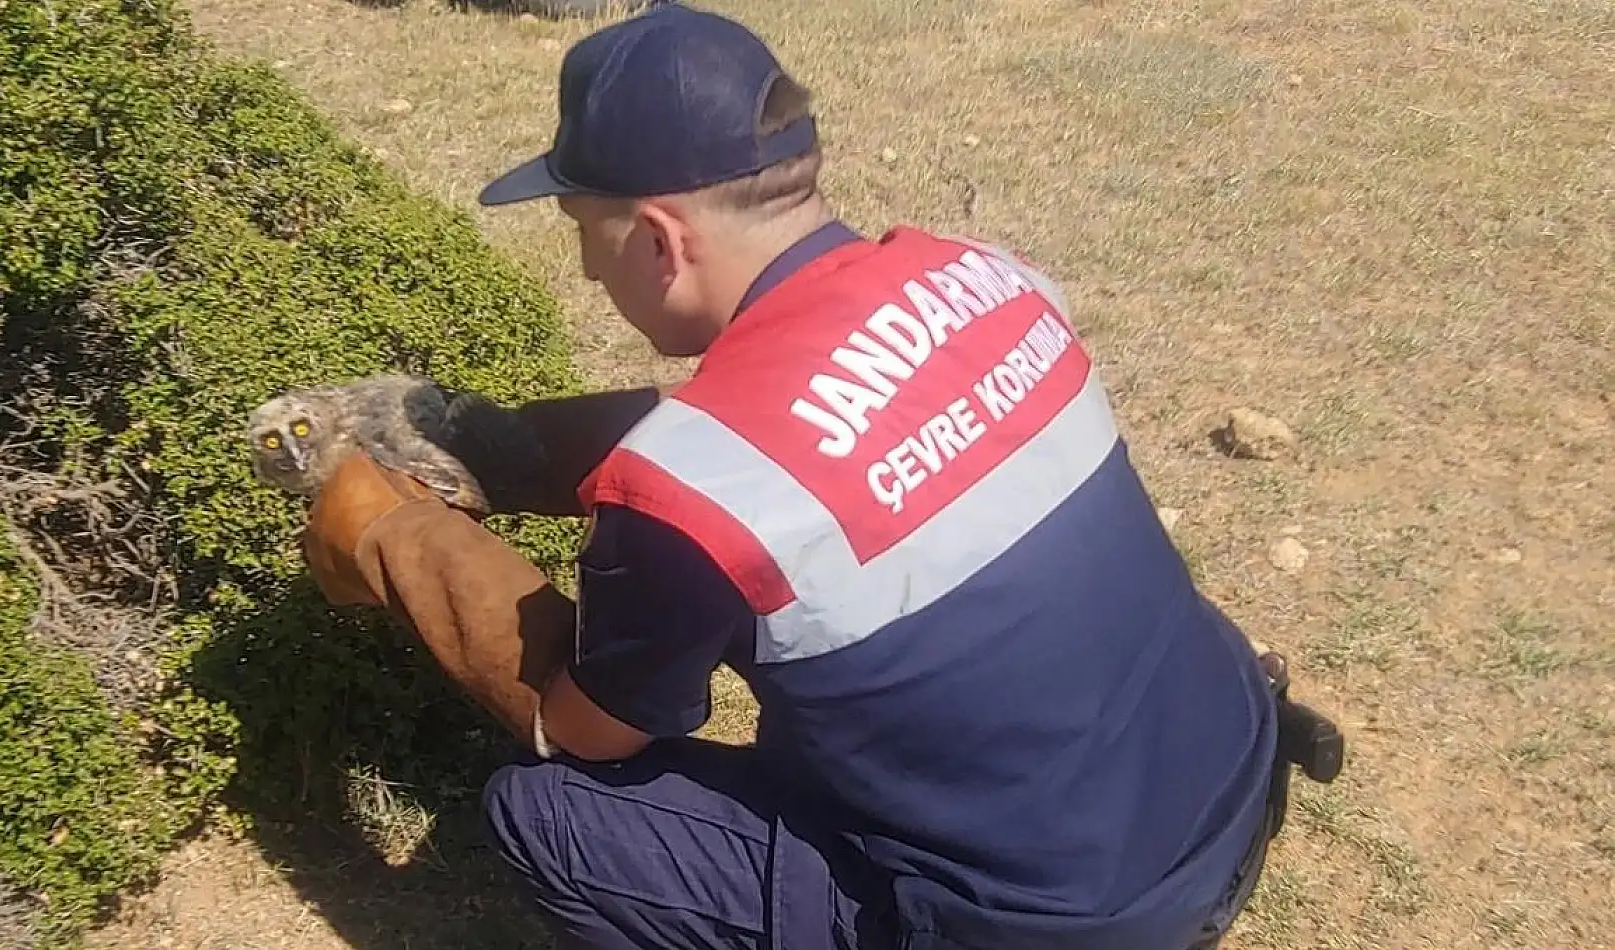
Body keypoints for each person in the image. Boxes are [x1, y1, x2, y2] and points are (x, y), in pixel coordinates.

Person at [299, 4, 1285, 949]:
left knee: (550, 812)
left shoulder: (686, 496)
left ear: (655, 238)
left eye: (580, 230)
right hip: (1228, 781)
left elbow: (577, 731)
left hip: (1062, 925)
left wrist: (393, 531)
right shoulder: (987, 277)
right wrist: (493, 446)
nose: (591, 272)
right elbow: (779, 431)